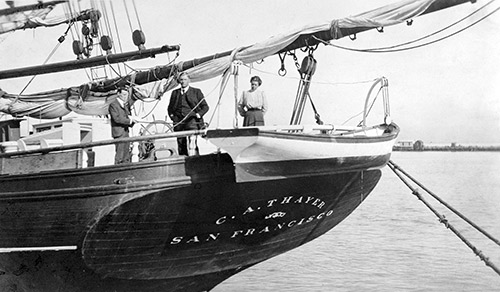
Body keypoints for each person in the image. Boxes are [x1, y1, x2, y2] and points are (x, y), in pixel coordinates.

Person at [167, 72, 209, 155]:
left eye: (185, 79)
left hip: (192, 121)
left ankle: (195, 161)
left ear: (189, 80)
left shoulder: (196, 92)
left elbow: (205, 107)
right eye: (181, 80)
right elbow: (170, 108)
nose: (183, 82)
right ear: (179, 81)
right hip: (178, 122)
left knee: (192, 143)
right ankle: (183, 160)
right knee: (180, 143)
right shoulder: (175, 93)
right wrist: (173, 117)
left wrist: (198, 115)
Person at [109, 89, 137, 164]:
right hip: (119, 133)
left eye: (127, 95)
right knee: (119, 156)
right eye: (124, 94)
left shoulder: (125, 105)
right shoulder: (113, 105)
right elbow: (116, 119)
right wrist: (129, 121)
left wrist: (132, 121)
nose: (125, 97)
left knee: (126, 155)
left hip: (125, 133)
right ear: (118, 94)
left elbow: (128, 117)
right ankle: (117, 172)